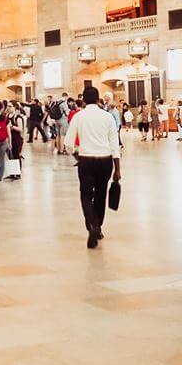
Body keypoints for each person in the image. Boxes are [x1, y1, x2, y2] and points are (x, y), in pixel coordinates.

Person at [64, 86, 121, 249]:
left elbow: (68, 143)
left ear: (83, 100)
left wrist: (76, 155)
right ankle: (99, 226)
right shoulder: (108, 117)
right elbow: (114, 144)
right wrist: (117, 169)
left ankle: (92, 225)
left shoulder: (78, 117)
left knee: (86, 195)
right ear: (98, 99)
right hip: (105, 161)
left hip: (86, 160)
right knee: (101, 195)